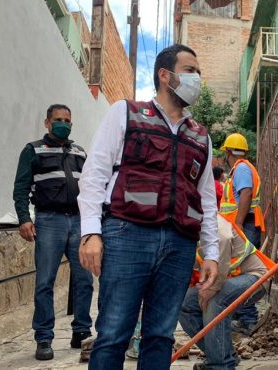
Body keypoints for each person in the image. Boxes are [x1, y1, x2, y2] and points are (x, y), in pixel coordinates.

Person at [77, 44, 220, 369]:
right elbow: (94, 176)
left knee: (160, 337)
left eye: (198, 72)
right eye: (190, 70)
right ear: (164, 75)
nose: (197, 78)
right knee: (113, 333)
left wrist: (210, 253)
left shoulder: (201, 137)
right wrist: (91, 233)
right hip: (127, 236)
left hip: (179, 247)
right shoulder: (125, 113)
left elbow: (206, 200)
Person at [13, 104, 94, 360]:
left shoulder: (80, 151)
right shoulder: (33, 150)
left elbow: (92, 186)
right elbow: (20, 187)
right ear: (47, 123)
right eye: (58, 119)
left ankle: (81, 331)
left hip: (79, 222)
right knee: (45, 282)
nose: (63, 124)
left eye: (67, 120)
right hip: (50, 221)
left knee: (85, 280)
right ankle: (44, 338)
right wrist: (24, 219)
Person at [180, 214, 273, 370]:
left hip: (255, 277)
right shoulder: (187, 226)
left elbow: (223, 238)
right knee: (186, 306)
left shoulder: (212, 219)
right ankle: (224, 355)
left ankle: (220, 365)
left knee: (215, 302)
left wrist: (212, 288)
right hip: (228, 280)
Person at [219, 133, 265, 334]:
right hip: (242, 224)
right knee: (237, 271)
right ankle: (241, 315)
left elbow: (245, 194)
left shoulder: (242, 169)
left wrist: (237, 223)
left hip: (243, 225)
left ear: (228, 152)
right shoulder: (240, 169)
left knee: (244, 272)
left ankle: (247, 318)